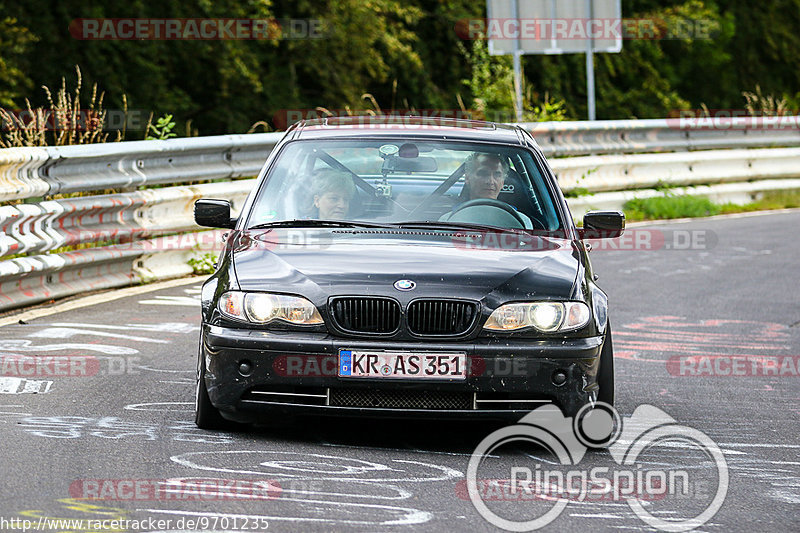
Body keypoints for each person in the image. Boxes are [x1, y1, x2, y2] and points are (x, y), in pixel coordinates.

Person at [440, 152, 534, 229]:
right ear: (468, 178)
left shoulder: (522, 222)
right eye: (483, 174)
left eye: (497, 175)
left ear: (502, 182)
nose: (490, 181)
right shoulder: (447, 221)